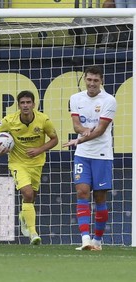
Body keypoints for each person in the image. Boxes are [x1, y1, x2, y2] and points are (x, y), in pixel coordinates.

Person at [0, 90, 58, 245]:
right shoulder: (9, 120)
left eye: (28, 102)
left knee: (32, 197)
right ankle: (33, 233)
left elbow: (54, 140)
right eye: (22, 103)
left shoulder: (43, 120)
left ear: (34, 104)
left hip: (37, 163)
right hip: (17, 163)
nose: (25, 105)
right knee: (27, 194)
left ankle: (23, 217)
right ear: (19, 105)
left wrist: (39, 150)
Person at [62, 66, 116, 251]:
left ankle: (97, 241)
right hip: (82, 155)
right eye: (89, 80)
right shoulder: (76, 99)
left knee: (100, 198)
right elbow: (77, 125)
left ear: (101, 81)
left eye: (95, 80)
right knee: (82, 192)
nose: (92, 83)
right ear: (85, 80)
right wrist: (81, 134)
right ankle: (85, 240)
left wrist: (78, 140)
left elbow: (100, 131)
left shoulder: (109, 100)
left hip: (102, 154)